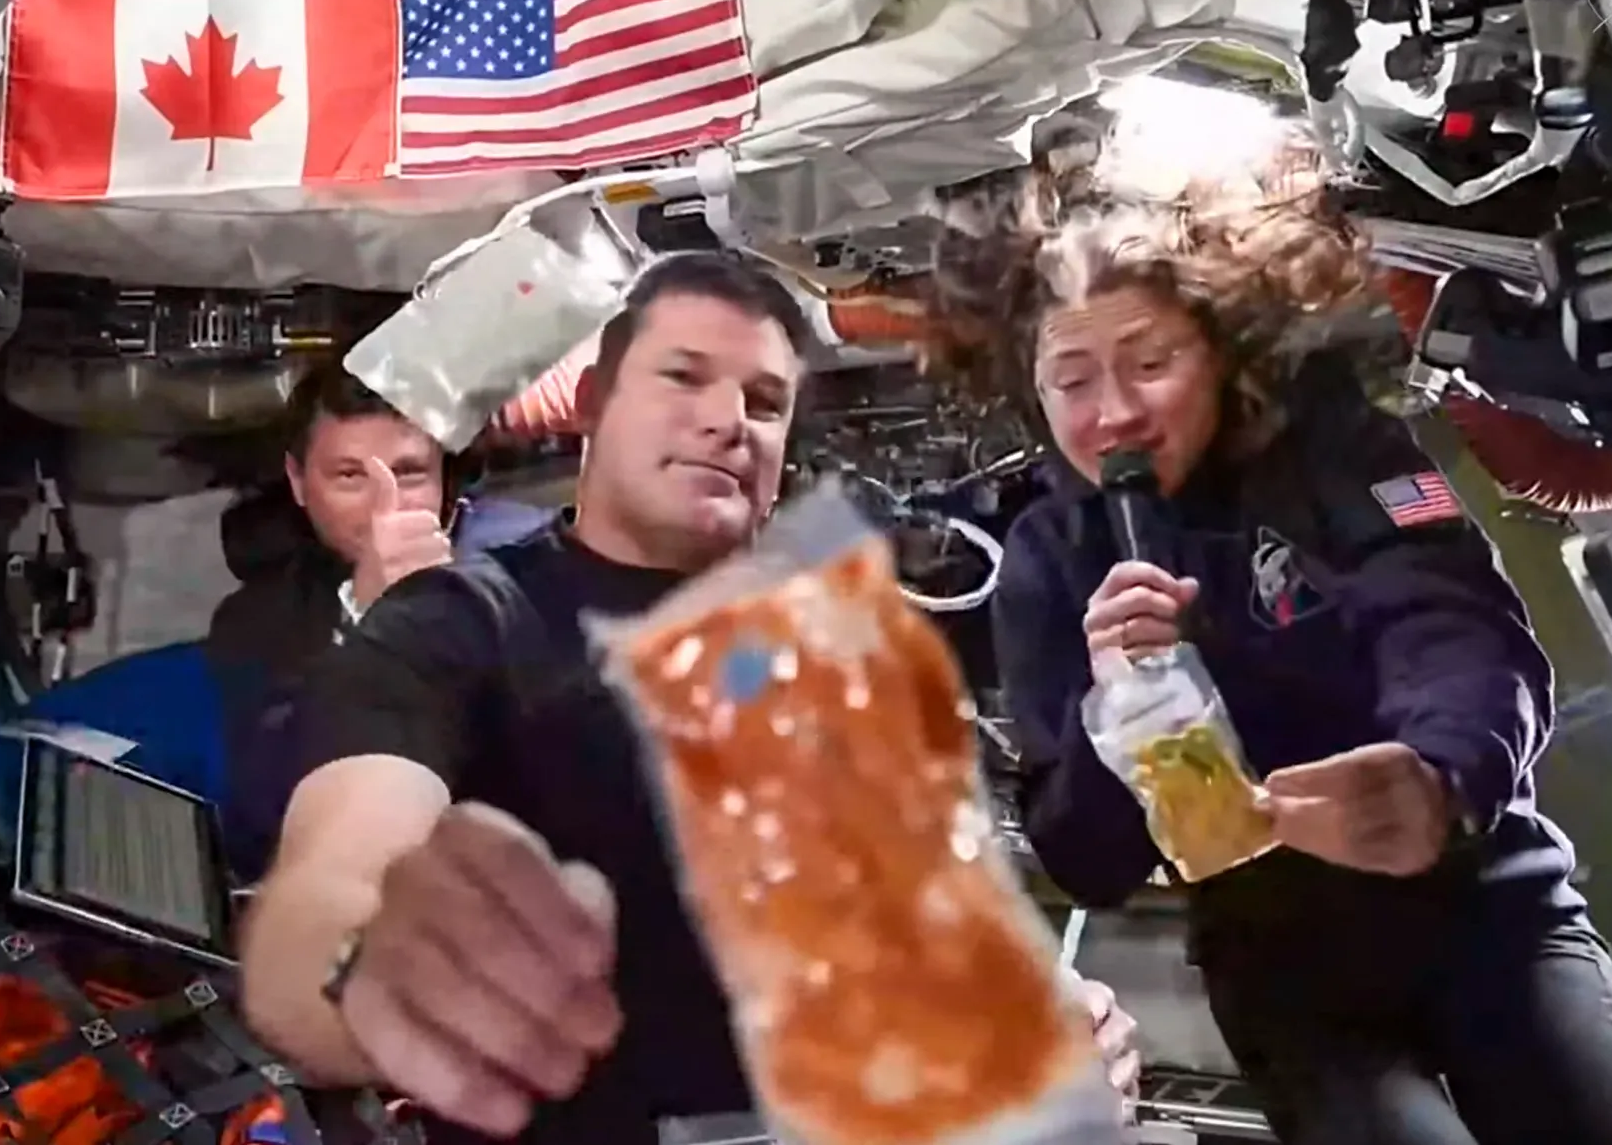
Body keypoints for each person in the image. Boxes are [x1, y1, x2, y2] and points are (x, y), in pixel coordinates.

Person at [236, 251, 1139, 1145]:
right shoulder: (463, 620)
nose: (726, 421)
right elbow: (331, 879)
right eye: (683, 377)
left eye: (764, 402)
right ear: (591, 403)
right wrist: (365, 972)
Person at [963, 179, 1612, 1143]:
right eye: (1072, 379)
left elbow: (1455, 626)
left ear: (1216, 353)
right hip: (1282, 961)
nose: (1115, 413)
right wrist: (1107, 711)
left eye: (1151, 360)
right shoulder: (1047, 564)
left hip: (1484, 909)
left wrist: (1442, 778)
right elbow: (1083, 857)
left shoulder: (1347, 453)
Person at [207, 362, 458, 878]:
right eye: (350, 477)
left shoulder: (526, 565)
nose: (384, 510)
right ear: (298, 483)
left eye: (410, 474)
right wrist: (363, 623)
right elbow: (266, 813)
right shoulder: (257, 624)